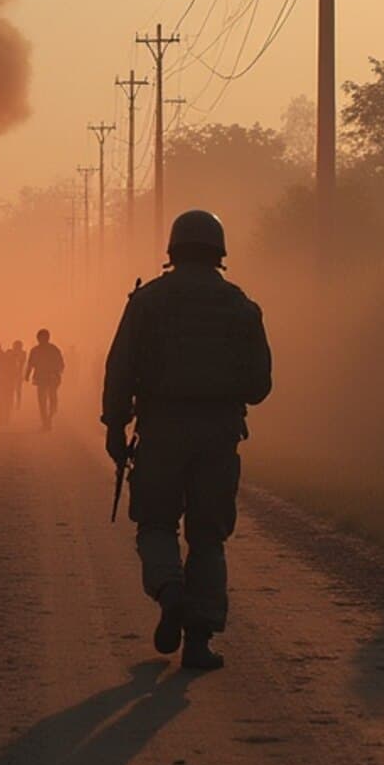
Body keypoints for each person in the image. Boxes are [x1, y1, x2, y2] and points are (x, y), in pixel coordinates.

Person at [101, 209, 271, 672]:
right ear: (219, 252)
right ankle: (199, 642)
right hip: (218, 436)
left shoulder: (148, 302)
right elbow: (259, 384)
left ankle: (170, 592)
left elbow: (120, 370)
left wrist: (115, 427)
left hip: (160, 431)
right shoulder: (240, 306)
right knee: (208, 537)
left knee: (156, 525)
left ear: (172, 250)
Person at [24, 328, 66, 430]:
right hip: (41, 378)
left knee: (51, 400)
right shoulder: (36, 350)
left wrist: (56, 373)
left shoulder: (53, 349)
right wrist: (27, 375)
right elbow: (30, 364)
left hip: (51, 378)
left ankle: (49, 418)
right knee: (42, 401)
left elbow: (61, 364)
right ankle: (46, 421)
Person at [7, 340, 28, 415]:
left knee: (18, 390)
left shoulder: (23, 353)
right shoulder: (10, 352)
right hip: (11, 374)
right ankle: (11, 403)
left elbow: (22, 362)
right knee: (11, 390)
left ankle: (17, 404)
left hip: (18, 374)